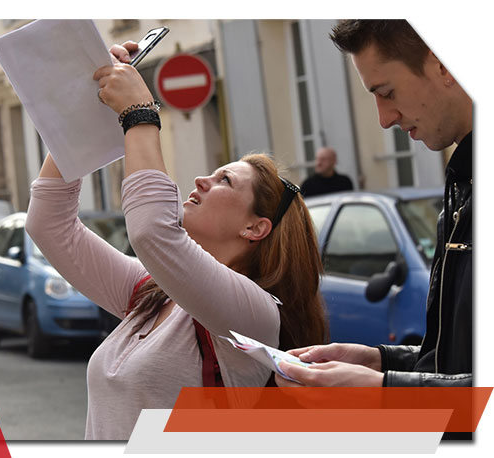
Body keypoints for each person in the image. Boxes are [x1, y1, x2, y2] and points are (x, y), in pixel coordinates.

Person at [25, 41, 328, 440]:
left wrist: (140, 114)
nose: (203, 179)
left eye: (225, 181)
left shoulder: (253, 314)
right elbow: (49, 224)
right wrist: (89, 111)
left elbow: (152, 231)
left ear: (256, 228)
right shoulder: (153, 294)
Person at [276, 20, 472, 390]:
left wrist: (383, 390)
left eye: (387, 92)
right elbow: (454, 364)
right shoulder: (463, 189)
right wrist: (378, 360)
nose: (384, 119)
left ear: (443, 66)